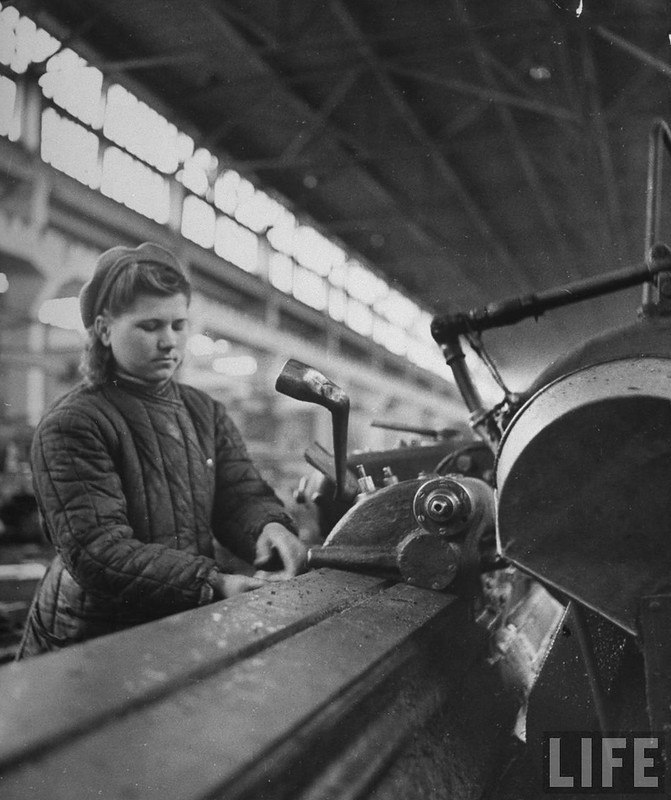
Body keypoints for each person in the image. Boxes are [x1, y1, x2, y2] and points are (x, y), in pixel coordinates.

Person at [17, 242, 306, 658]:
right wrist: (213, 583)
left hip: (176, 616)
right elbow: (99, 551)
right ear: (103, 329)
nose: (169, 341)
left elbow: (239, 495)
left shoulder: (203, 412)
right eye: (149, 326)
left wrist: (269, 529)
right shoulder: (75, 423)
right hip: (87, 640)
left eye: (178, 324)